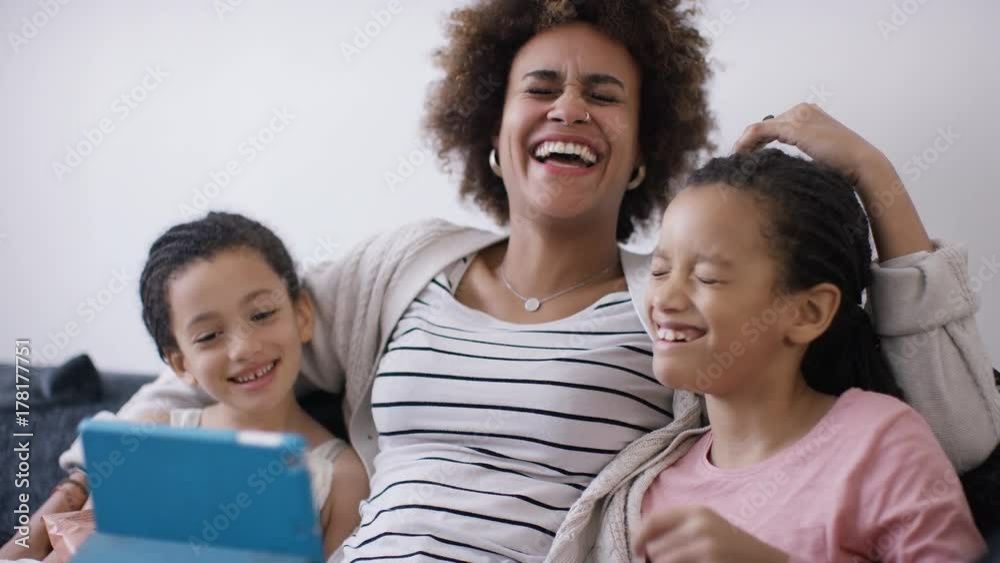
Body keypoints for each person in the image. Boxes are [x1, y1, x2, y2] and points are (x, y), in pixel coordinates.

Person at [19, 1, 998, 560]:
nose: (568, 107)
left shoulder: (680, 313)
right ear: (490, 128)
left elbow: (955, 427)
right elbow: (220, 342)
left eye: (603, 92)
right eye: (540, 87)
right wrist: (74, 481)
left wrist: (872, 177)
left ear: (644, 148)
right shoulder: (396, 267)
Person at [632, 149, 985, 562]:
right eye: (658, 271)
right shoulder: (652, 490)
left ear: (808, 312)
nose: (666, 298)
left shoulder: (877, 444)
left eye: (707, 277)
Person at [1, 213, 370, 561]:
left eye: (261, 314)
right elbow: (76, 547)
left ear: (302, 314)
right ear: (181, 363)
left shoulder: (344, 477)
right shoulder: (151, 433)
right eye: (209, 335)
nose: (244, 348)